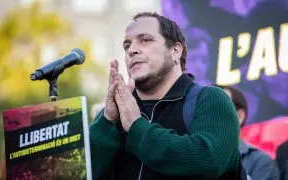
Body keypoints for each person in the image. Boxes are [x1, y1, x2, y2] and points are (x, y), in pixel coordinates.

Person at [89, 12, 241, 179]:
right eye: (127, 46)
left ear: (175, 51)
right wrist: (107, 122)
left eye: (145, 40)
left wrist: (136, 127)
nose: (132, 50)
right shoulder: (113, 115)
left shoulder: (211, 99)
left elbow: (207, 161)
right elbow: (80, 172)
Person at [217, 85, 280, 180]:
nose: (210, 115)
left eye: (218, 108)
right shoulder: (194, 157)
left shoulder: (261, 162)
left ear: (239, 116)